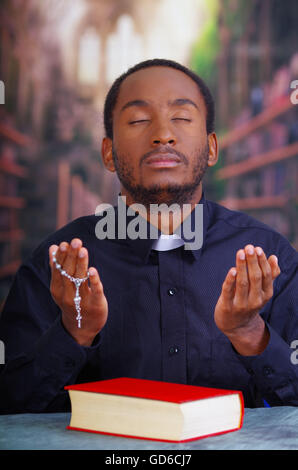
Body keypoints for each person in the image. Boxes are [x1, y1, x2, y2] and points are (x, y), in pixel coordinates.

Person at [0, 59, 297, 414]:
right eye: (139, 120)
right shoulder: (56, 266)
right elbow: (7, 405)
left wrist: (250, 333)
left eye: (182, 118)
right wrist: (72, 333)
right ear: (108, 153)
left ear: (212, 148)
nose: (163, 135)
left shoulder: (270, 258)